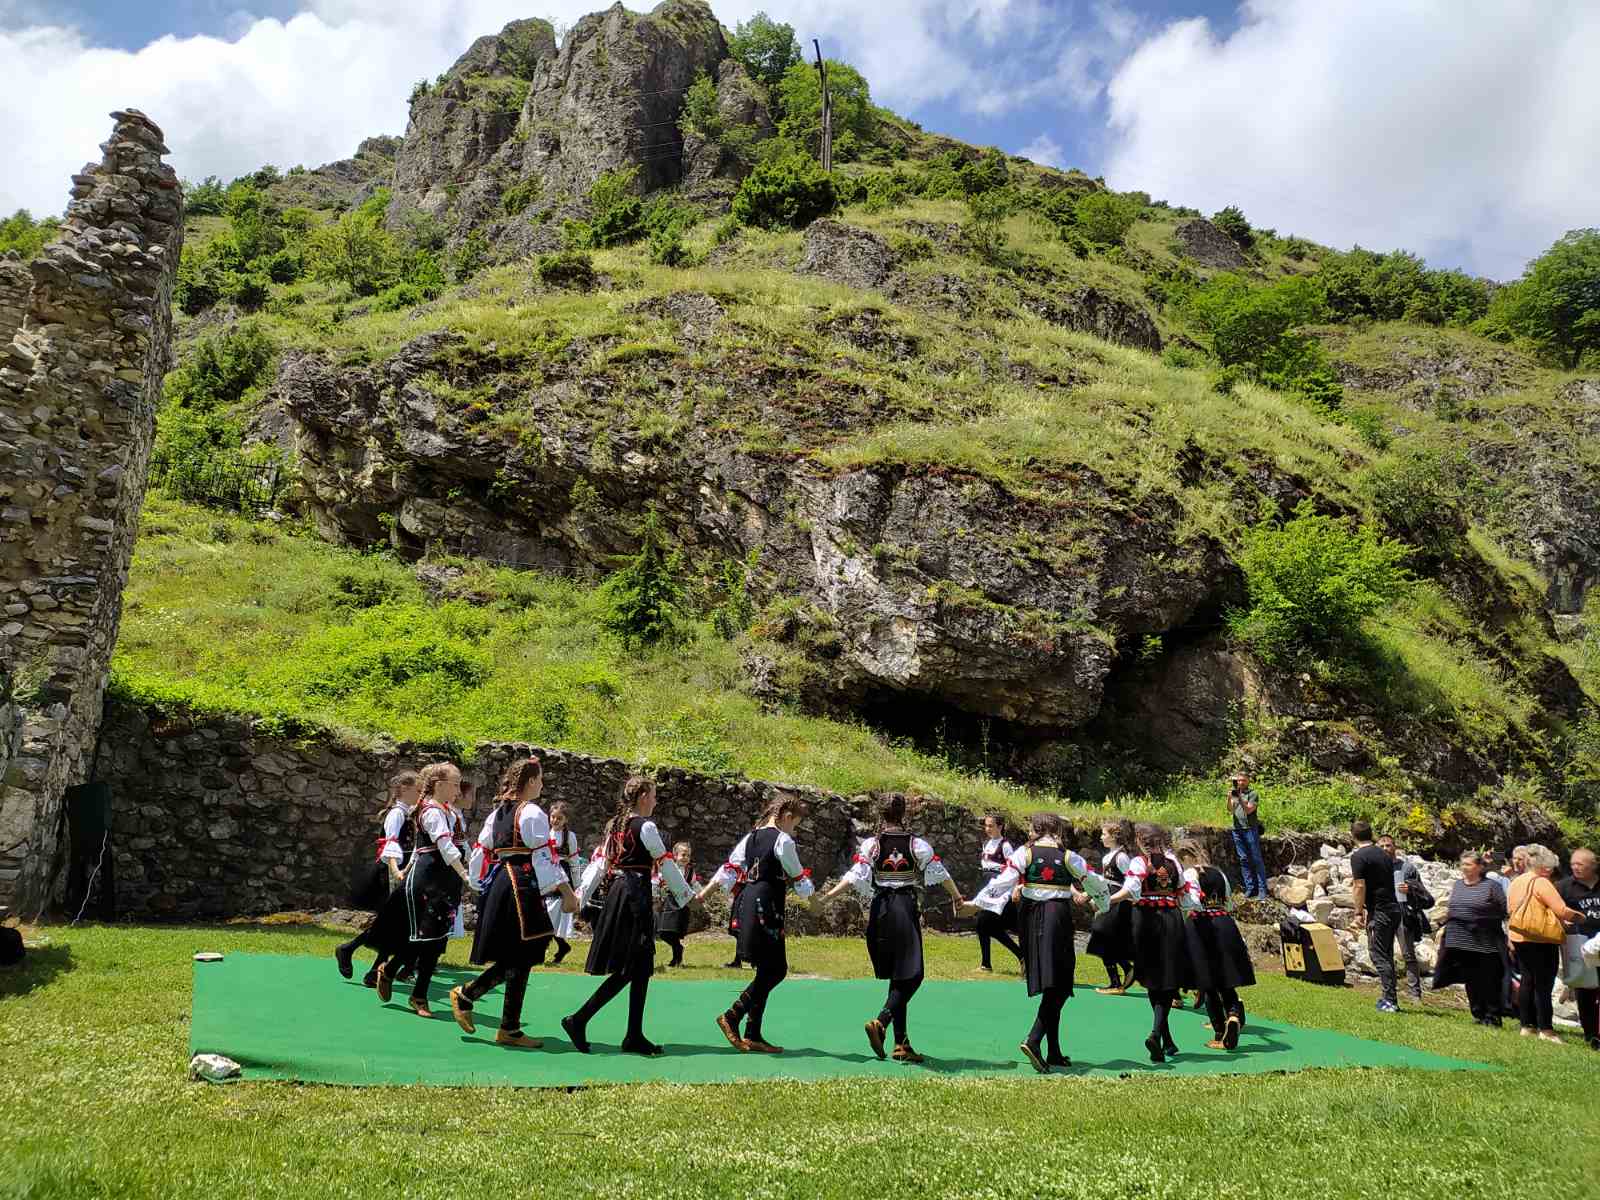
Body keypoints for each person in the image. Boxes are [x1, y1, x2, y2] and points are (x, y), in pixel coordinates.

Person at [822, 793, 968, 1064]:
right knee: (914, 974)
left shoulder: (872, 845)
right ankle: (881, 1021)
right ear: (904, 813)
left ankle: (902, 1043)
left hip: (879, 910)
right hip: (903, 908)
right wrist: (958, 898)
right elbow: (941, 873)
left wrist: (827, 897)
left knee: (899, 975)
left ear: (881, 813)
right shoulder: (916, 844)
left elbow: (855, 876)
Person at [449, 757, 579, 1048]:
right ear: (531, 782)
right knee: (526, 951)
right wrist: (567, 892)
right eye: (541, 779)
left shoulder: (498, 813)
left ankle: (506, 1025)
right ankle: (471, 996)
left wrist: (477, 883)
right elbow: (545, 858)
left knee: (520, 954)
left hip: (502, 883)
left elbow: (481, 852)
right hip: (520, 885)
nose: (543, 785)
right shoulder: (532, 812)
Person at [563, 776, 693, 1056]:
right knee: (631, 967)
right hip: (634, 895)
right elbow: (665, 862)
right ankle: (580, 1019)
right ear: (644, 796)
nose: (656, 801)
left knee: (641, 967)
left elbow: (599, 864)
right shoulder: (645, 826)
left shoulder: (617, 826)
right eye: (654, 795)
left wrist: (579, 896)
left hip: (622, 893)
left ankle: (633, 1034)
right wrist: (686, 896)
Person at [968, 812, 1104, 1073]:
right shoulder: (1068, 856)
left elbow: (1003, 881)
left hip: (1029, 919)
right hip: (1056, 916)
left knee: (1052, 982)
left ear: (1039, 829)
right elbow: (1093, 880)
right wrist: (1103, 901)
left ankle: (1054, 1050)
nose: (1029, 832)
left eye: (1031, 828)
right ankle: (1034, 1039)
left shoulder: (1024, 853)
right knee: (1061, 983)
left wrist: (978, 902)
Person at [699, 798, 815, 1054]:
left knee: (767, 968)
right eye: (795, 823)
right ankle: (733, 1015)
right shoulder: (782, 840)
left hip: (750, 901)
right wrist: (815, 901)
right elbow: (797, 876)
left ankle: (753, 1033)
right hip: (766, 903)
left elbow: (728, 869)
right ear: (785, 815)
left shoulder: (751, 837)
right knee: (776, 970)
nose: (794, 830)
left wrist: (703, 895)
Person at [374, 762, 474, 1018]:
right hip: (428, 878)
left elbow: (462, 846)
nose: (458, 790)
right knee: (426, 937)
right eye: (455, 784)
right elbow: (445, 845)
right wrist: (464, 874)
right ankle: (418, 995)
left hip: (446, 879)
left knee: (436, 938)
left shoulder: (450, 812)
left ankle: (391, 970)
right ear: (440, 785)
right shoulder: (430, 811)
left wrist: (473, 868)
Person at [1118, 822, 1196, 1063]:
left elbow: (1131, 889)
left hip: (1146, 921)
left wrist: (1106, 900)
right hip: (1171, 919)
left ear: (1141, 840)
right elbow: (1184, 895)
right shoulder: (1174, 863)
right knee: (1167, 979)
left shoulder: (1139, 862)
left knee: (1154, 979)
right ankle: (1164, 1037)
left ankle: (1158, 1034)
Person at [335, 769, 417, 986]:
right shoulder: (397, 814)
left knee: (392, 924)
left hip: (400, 870)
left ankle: (369, 966)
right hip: (390, 872)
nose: (420, 793)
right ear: (405, 790)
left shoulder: (407, 813)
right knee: (393, 923)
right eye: (417, 789)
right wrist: (397, 872)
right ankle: (358, 957)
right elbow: (390, 845)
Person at [1176, 842, 1255, 1050]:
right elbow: (1228, 904)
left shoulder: (1190, 875)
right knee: (1226, 979)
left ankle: (1220, 1032)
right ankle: (1234, 1015)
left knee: (1207, 981)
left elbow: (1191, 902)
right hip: (1224, 922)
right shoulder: (1219, 874)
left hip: (1202, 925)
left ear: (1186, 858)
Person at [1508, 844, 1582, 1043]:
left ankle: (1527, 1026)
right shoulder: (1541, 882)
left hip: (1520, 936)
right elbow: (1561, 910)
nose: (1550, 870)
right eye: (1549, 866)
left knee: (1527, 980)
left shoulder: (1516, 881)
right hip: (1542, 939)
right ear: (1542, 865)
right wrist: (1581, 918)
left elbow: (1511, 909)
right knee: (1543, 984)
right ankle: (1546, 1030)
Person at [1432, 850, 1509, 1026]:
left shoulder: (1492, 886)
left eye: (1468, 864)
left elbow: (1505, 911)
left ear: (1480, 867)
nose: (1464, 867)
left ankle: (1492, 1015)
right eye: (1463, 864)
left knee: (1488, 978)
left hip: (1485, 940)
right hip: (1460, 939)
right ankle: (1478, 1013)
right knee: (1470, 978)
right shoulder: (1458, 885)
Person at [1350, 819, 1404, 1013]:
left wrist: (1358, 912)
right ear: (1371, 834)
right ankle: (1389, 997)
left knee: (1378, 954)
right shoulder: (1384, 854)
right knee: (1386, 954)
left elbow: (1359, 885)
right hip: (1393, 908)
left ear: (1353, 836)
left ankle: (1390, 1000)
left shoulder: (1358, 857)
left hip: (1379, 911)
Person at [1087, 817, 1138, 995]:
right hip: (1107, 898)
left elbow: (1129, 882)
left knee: (1102, 935)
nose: (1101, 837)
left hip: (1117, 903)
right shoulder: (1108, 856)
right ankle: (1124, 971)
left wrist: (1115, 899)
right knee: (1102, 938)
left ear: (1113, 837)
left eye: (1104, 834)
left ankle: (1118, 980)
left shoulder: (1122, 857)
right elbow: (1104, 880)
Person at [1556, 847, 1600, 1049]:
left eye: (1580, 864)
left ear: (1593, 864)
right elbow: (1552, 909)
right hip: (1579, 945)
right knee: (1585, 989)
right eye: (1573, 863)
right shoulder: (1565, 887)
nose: (1575, 867)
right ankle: (1591, 1034)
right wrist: (1561, 921)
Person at [1379, 834, 1427, 1003]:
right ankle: (1389, 991)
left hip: (1402, 915)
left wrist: (1410, 889)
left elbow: (1422, 892)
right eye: (1382, 846)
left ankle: (1415, 994)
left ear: (1395, 847)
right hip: (1383, 915)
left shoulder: (1408, 868)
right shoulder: (1376, 868)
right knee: (1385, 955)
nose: (1385, 849)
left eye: (1388, 845)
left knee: (1408, 954)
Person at [973, 813, 1023, 972]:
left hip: (1000, 891)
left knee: (984, 924)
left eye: (991, 826)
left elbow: (1013, 869)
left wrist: (1011, 891)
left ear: (1000, 827)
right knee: (983, 925)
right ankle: (986, 963)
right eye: (986, 825)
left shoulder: (1005, 845)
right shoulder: (987, 843)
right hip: (987, 887)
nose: (987, 829)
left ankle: (1020, 955)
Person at [546, 801, 582, 965]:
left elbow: (574, 861)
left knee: (554, 914)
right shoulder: (544, 833)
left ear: (565, 820)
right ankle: (560, 946)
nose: (554, 821)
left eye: (559, 818)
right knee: (544, 913)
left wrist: (577, 886)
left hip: (561, 876)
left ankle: (557, 946)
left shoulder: (570, 837)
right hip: (546, 874)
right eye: (553, 817)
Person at [654, 841, 701, 968]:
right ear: (675, 856)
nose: (686, 858)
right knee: (663, 931)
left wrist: (700, 896)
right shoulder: (669, 868)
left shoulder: (690, 871)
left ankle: (676, 958)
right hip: (669, 901)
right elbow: (658, 880)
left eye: (688, 855)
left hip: (683, 903)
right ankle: (678, 948)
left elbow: (695, 885)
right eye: (683, 855)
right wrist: (656, 895)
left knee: (674, 931)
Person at [1226, 773, 1268, 901]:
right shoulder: (1235, 793)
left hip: (1250, 829)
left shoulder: (1253, 793)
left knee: (1256, 858)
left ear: (1248, 781)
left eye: (1243, 780)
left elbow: (1249, 810)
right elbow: (1230, 810)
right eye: (1239, 781)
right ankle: (1250, 888)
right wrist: (1229, 798)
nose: (1240, 783)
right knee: (1243, 859)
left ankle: (1262, 890)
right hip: (1237, 829)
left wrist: (1240, 798)